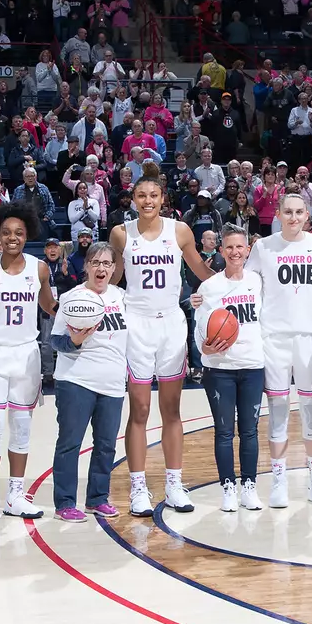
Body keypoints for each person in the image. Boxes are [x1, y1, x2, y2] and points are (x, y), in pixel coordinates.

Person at [109, 175, 216, 517]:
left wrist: (233, 289)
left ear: (163, 197)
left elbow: (199, 269)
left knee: (172, 411)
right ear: (133, 198)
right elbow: (112, 279)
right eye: (141, 195)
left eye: (153, 194)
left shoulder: (180, 230)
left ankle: (174, 483)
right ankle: (138, 486)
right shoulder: (121, 233)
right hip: (136, 322)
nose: (148, 200)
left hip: (171, 321)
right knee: (139, 410)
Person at [246, 193, 312, 507]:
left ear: (307, 215)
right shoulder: (263, 247)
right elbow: (245, 289)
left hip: (311, 336)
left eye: (299, 212)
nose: (294, 217)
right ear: (278, 214)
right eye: (288, 212)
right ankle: (279, 479)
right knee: (279, 411)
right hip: (274, 337)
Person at [0, 206, 55, 522]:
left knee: (22, 428)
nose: (12, 238)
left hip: (26, 355)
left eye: (18, 233)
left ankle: (15, 495)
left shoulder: (39, 268)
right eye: (6, 232)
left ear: (27, 234)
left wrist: (69, 309)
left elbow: (47, 305)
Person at [49, 241, 128, 520]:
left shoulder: (121, 297)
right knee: (70, 443)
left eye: (107, 263)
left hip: (113, 383)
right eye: (96, 262)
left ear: (114, 268)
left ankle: (97, 498)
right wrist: (75, 341)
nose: (101, 268)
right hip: (76, 380)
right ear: (86, 266)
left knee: (106, 444)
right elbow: (55, 340)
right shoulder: (73, 297)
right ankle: (65, 504)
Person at [192, 226, 266, 511]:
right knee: (223, 431)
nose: (235, 252)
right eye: (230, 247)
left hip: (252, 364)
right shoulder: (209, 287)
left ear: (248, 250)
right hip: (219, 367)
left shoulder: (257, 282)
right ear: (221, 251)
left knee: (250, 430)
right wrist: (203, 347)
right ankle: (228, 487)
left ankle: (249, 485)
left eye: (240, 247)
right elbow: (200, 324)